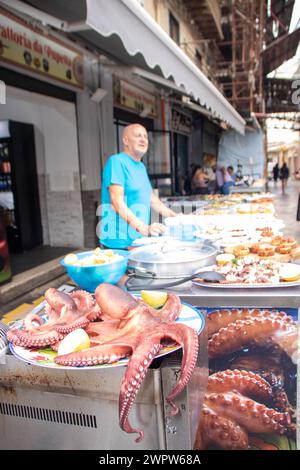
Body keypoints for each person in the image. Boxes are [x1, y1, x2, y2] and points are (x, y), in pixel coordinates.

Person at [100, 124, 177, 249]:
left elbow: (152, 199)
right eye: (138, 136)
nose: (143, 139)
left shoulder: (141, 167)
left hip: (139, 240)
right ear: (125, 140)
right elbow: (116, 202)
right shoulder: (116, 162)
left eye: (145, 136)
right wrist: (144, 228)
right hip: (119, 243)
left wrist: (175, 216)